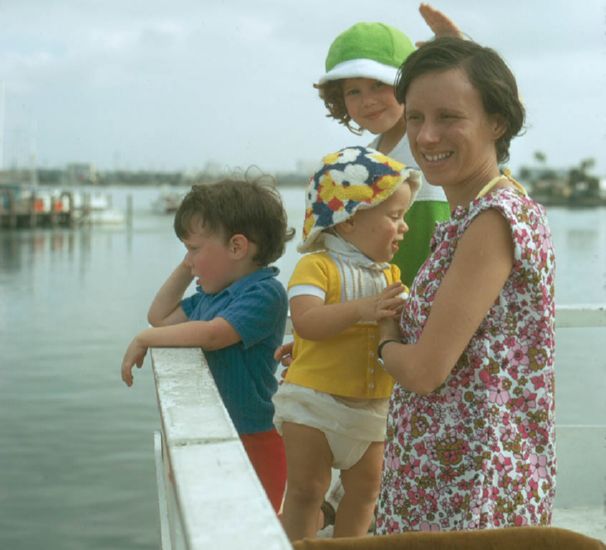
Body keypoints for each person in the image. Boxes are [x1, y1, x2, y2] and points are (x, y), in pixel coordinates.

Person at [374, 37, 556, 533]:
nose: (427, 136)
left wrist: (385, 339)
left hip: (468, 486)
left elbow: (425, 371)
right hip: (453, 474)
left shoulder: (492, 220)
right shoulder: (485, 209)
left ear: (497, 122)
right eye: (414, 117)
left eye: (449, 118)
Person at [120, 178, 295, 513]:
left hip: (253, 441)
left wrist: (143, 339)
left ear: (237, 247)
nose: (188, 260)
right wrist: (191, 267)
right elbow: (159, 316)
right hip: (217, 434)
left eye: (194, 249)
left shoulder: (264, 293)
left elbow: (214, 335)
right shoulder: (210, 296)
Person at [273, 145, 421, 540]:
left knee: (366, 492)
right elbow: (306, 321)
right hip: (314, 404)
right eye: (394, 216)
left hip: (372, 409)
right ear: (347, 221)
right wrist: (363, 309)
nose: (404, 226)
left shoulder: (391, 274)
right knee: (306, 491)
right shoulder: (317, 266)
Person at [314, 3, 463, 286]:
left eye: (379, 85)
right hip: (394, 305)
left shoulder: (434, 137)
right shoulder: (366, 159)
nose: (367, 100)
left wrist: (461, 56)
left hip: (447, 295)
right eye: (353, 91)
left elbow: (479, 110)